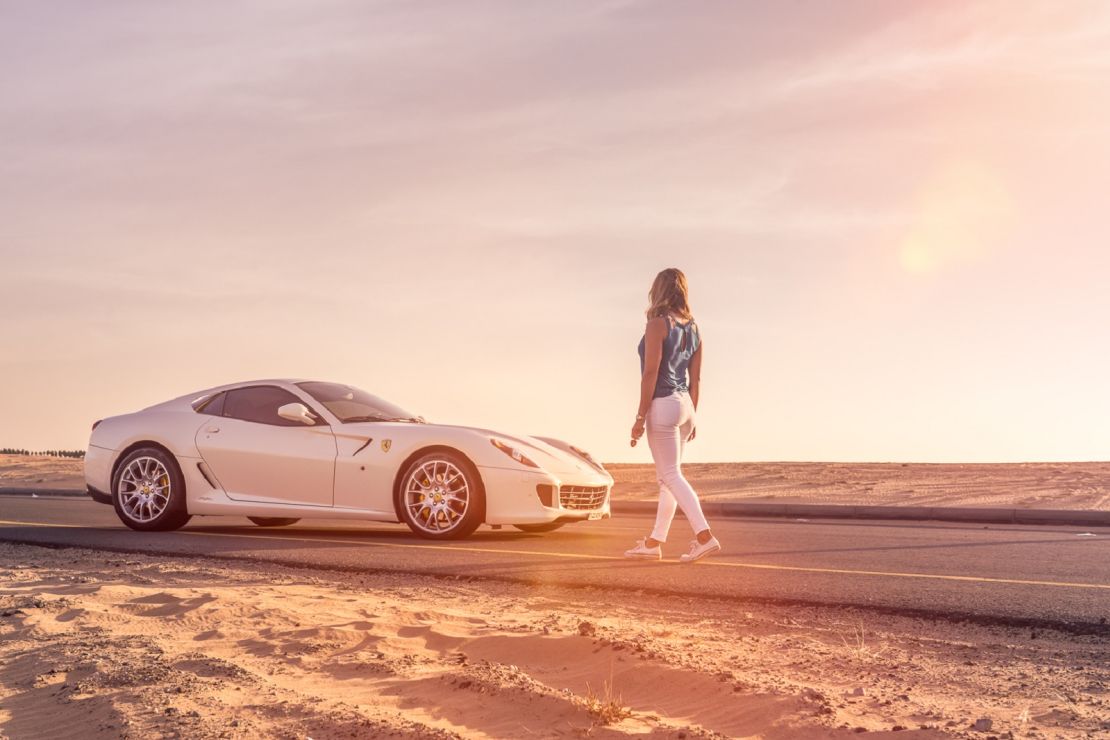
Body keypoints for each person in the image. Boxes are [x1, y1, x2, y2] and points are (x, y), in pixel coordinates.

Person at [625, 268, 720, 563]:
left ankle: (704, 536)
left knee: (670, 475)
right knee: (668, 477)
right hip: (685, 406)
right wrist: (692, 415)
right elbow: (697, 380)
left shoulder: (657, 325)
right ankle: (654, 543)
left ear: (659, 290)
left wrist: (640, 417)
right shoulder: (694, 330)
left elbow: (650, 372)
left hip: (663, 403)